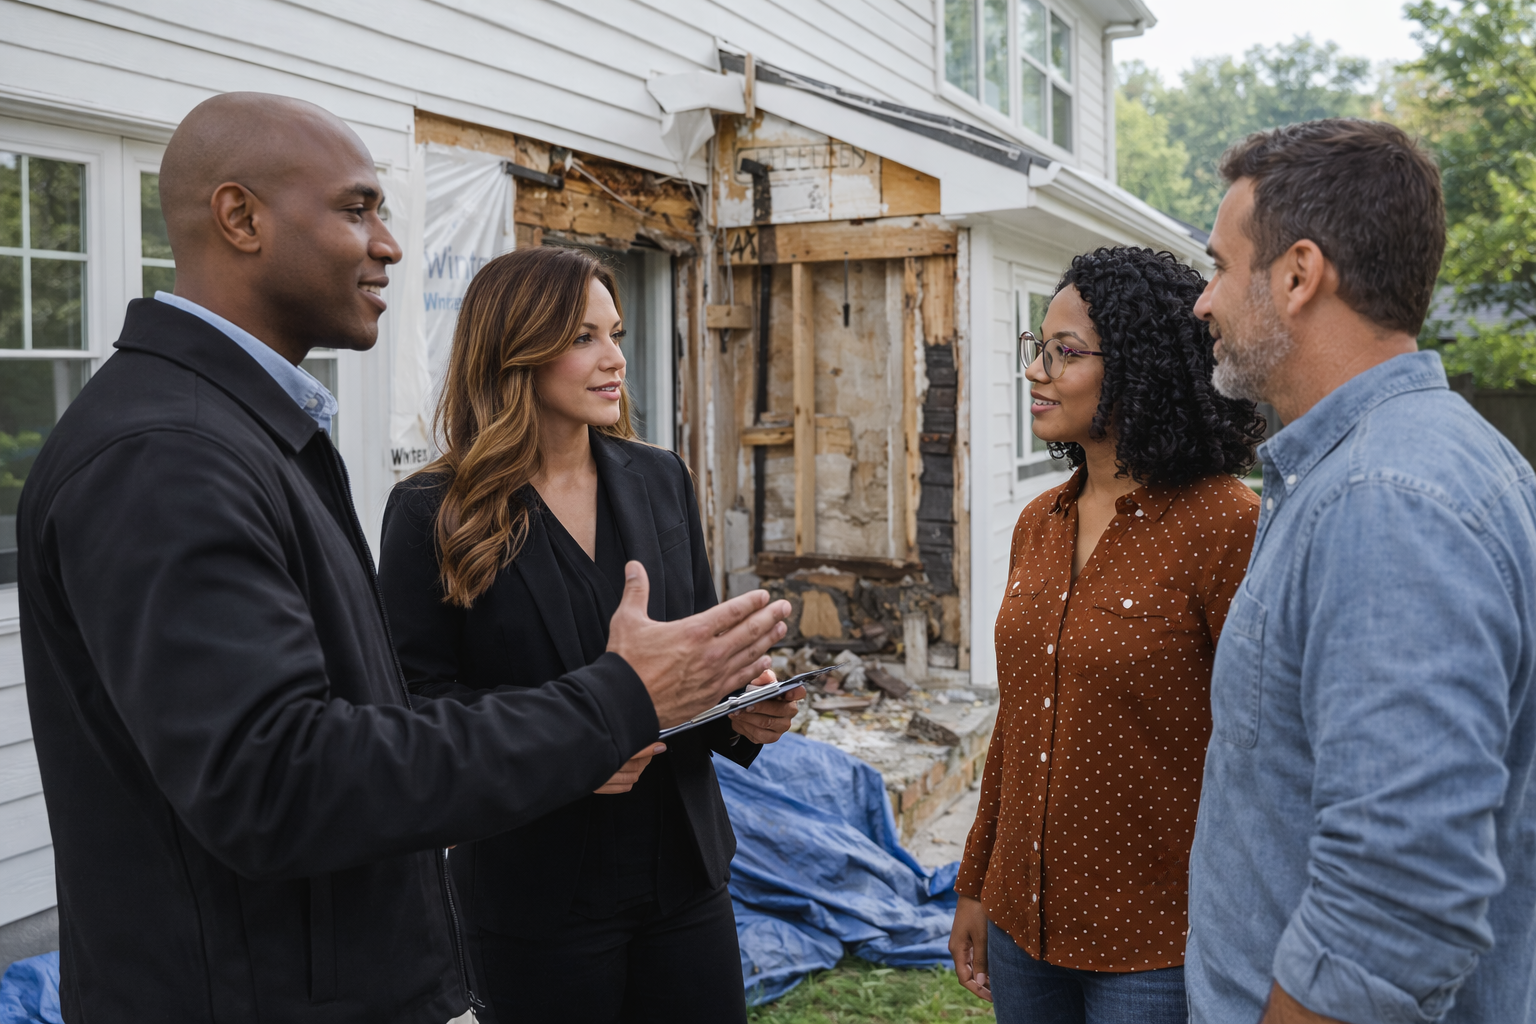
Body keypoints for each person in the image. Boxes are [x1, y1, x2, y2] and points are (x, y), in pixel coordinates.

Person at [15, 91, 791, 1024]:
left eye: (613, 335)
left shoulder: (262, 439)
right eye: (357, 209)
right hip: (477, 914)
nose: (388, 244)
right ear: (240, 216)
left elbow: (356, 719)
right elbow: (290, 772)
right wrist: (613, 704)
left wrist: (732, 707)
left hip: (667, 879)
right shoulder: (170, 456)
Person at [377, 246, 804, 1023]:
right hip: (535, 893)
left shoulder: (659, 478)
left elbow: (694, 657)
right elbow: (415, 713)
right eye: (583, 338)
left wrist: (744, 704)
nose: (614, 360)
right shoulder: (431, 513)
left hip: (684, 873)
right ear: (514, 351)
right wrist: (565, 749)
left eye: (616, 335)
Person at [1185, 119, 1536, 1024]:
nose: (1204, 303)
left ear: (1298, 276)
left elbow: (1398, 894)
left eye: (1220, 267)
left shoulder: (1387, 499)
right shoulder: (1377, 469)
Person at [949, 247, 1264, 1024]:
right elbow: (1018, 725)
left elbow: (1263, 748)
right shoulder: (1037, 524)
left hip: (1158, 943)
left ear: (1140, 366)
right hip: (1025, 926)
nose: (1036, 371)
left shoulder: (1227, 526)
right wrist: (976, 883)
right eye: (1037, 348)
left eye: (1066, 353)